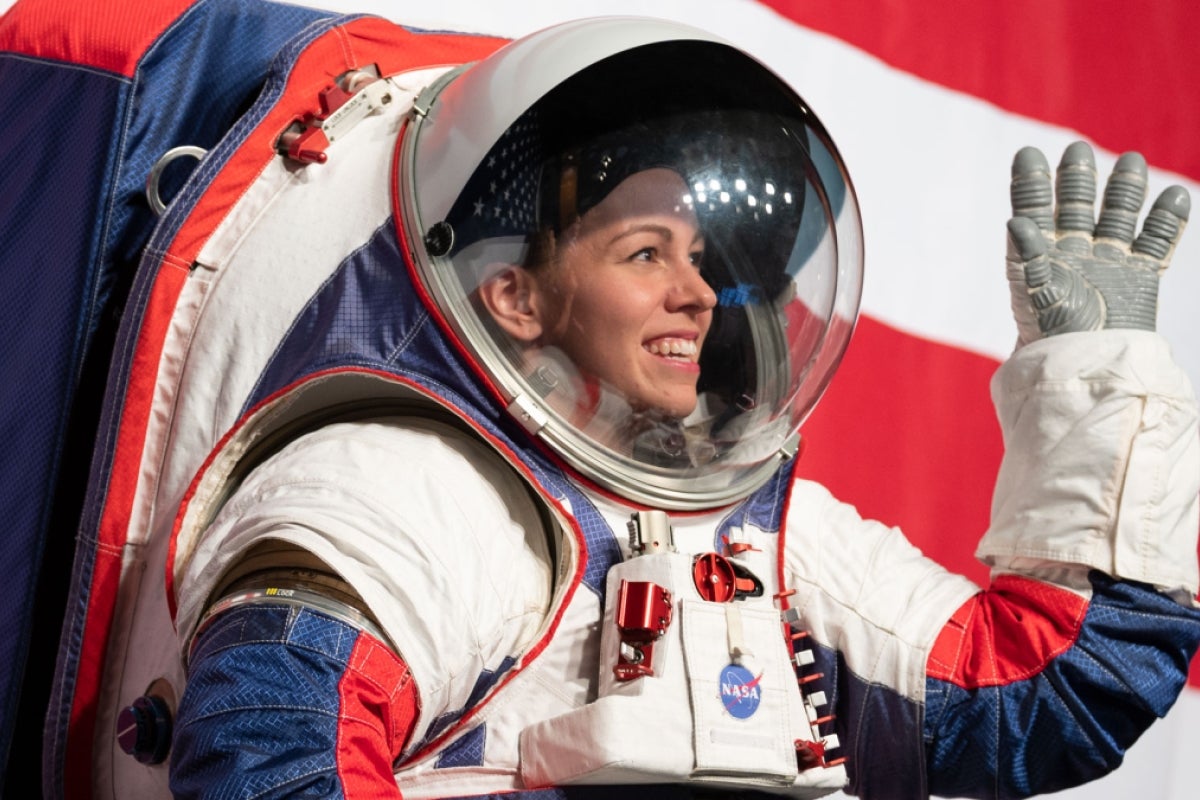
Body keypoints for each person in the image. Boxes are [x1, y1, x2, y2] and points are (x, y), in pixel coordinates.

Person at [151, 16, 1199, 800]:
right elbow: (270, 763)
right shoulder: (394, 494)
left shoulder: (755, 537)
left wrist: (1095, 369)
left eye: (700, 258)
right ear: (516, 296)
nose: (699, 292)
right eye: (645, 253)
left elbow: (1039, 694)